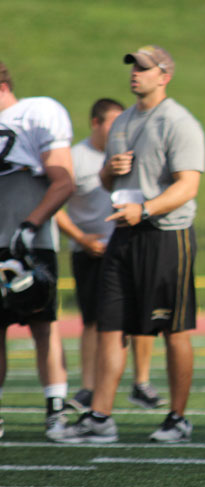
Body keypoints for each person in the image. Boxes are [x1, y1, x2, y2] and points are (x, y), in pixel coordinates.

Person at [52, 45, 205, 443]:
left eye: (143, 67)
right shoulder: (120, 122)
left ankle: (178, 418)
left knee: (173, 329)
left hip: (166, 234)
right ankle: (99, 417)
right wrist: (108, 171)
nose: (134, 73)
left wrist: (147, 209)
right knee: (110, 324)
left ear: (164, 75)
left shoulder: (178, 121)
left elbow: (188, 185)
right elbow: (109, 183)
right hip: (124, 233)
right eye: (132, 67)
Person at [55, 98, 166, 413]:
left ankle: (141, 383)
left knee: (143, 317)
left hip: (130, 245)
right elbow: (54, 204)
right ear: (95, 123)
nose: (120, 128)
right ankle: (89, 387)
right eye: (112, 122)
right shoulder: (75, 157)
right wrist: (80, 238)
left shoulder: (131, 152)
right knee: (93, 321)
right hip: (90, 250)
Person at [0, 61, 74, 440]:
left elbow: (63, 181)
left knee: (43, 326)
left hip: (28, 242)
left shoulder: (36, 112)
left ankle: (55, 413)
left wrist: (29, 227)